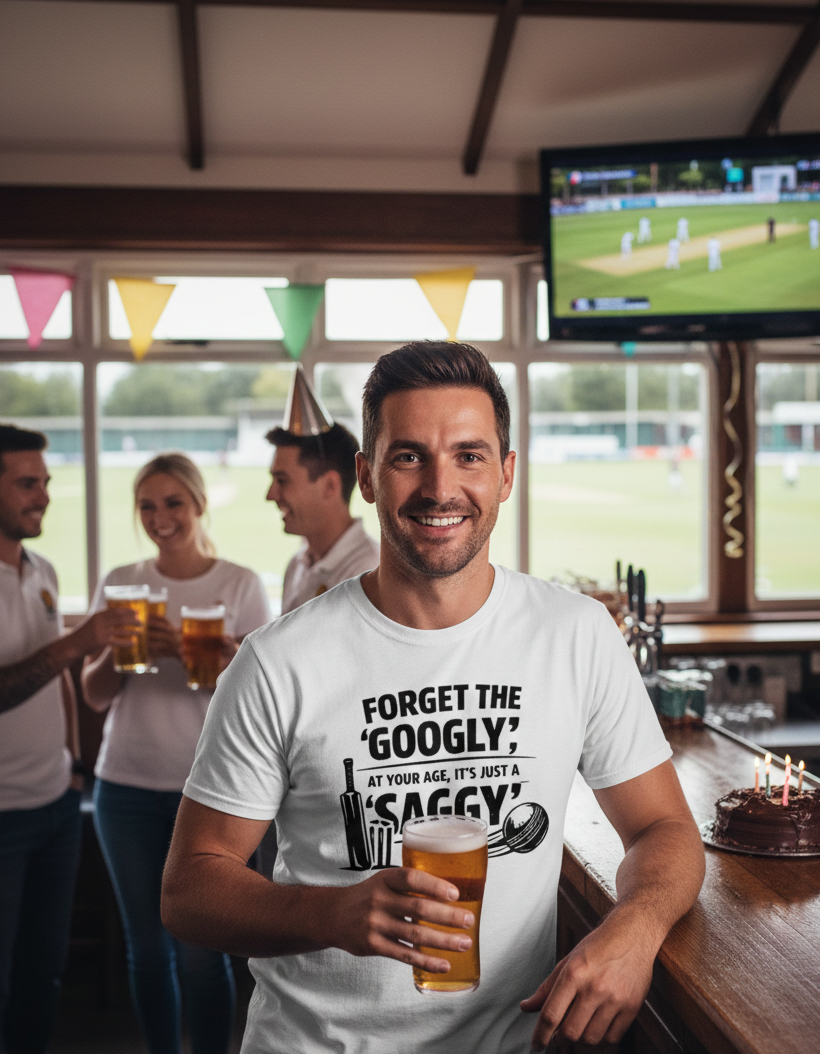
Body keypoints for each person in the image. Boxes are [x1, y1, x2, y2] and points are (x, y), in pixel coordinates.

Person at [161, 342, 705, 1054]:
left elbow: (663, 828)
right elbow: (188, 892)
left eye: (470, 456)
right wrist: (332, 915)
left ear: (506, 473)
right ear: (366, 475)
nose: (439, 487)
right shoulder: (277, 662)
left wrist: (635, 927)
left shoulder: (575, 635)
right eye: (408, 456)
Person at [81, 452, 271, 1054]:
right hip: (124, 787)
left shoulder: (237, 583)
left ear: (198, 505)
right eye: (147, 506)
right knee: (146, 948)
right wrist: (125, 651)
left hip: (212, 793)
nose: (160, 518)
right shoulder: (121, 582)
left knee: (199, 952)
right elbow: (94, 694)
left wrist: (194, 652)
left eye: (173, 504)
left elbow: (260, 694)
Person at [0, 423, 138, 1054]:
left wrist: (75, 763)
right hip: (3, 815)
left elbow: (56, 684)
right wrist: (79, 643)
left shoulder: (44, 569)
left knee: (43, 974)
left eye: (46, 482)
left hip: (55, 803)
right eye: (28, 483)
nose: (44, 496)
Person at [266, 423, 379, 615]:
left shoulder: (369, 574)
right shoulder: (298, 563)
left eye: (282, 480)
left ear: (330, 485)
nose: (270, 494)